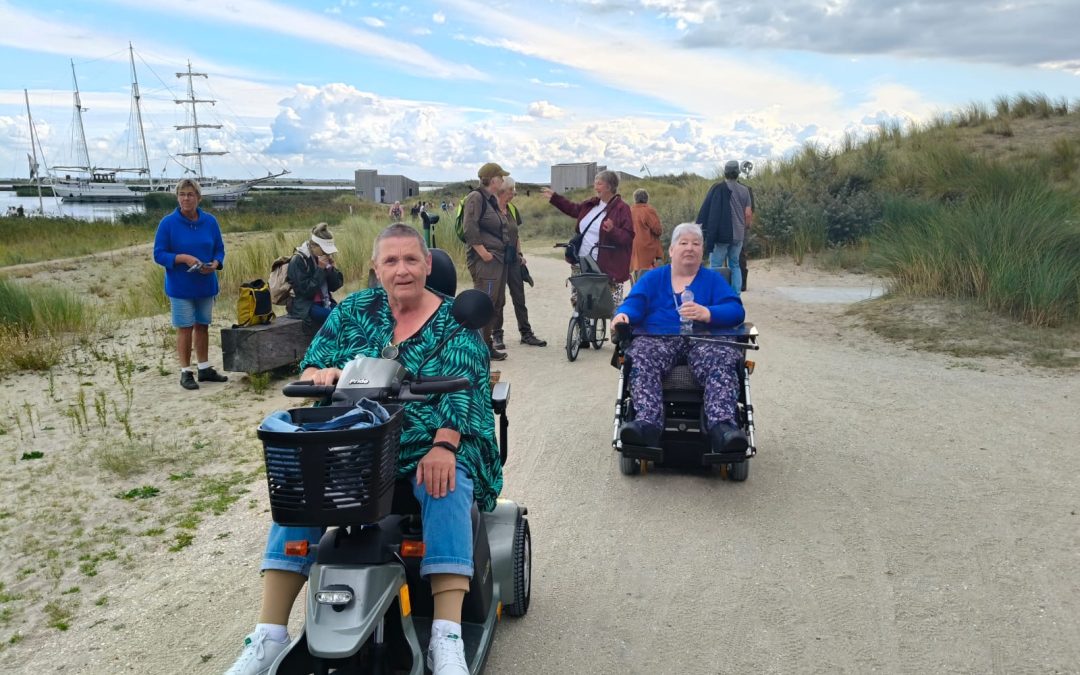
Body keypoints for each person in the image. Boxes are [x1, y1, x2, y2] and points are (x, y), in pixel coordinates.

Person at [225, 223, 501, 675]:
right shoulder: (354, 309)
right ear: (376, 267)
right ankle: (269, 634)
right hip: (359, 444)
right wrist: (320, 372)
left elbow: (464, 394)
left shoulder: (456, 321)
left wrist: (444, 446)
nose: (402, 270)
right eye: (391, 261)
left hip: (427, 441)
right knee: (298, 479)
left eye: (411, 260)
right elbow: (315, 360)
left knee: (445, 484)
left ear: (428, 265)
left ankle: (446, 637)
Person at [612, 222, 748, 453]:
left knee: (722, 357)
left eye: (696, 244)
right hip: (659, 338)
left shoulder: (714, 280)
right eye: (683, 243)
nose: (690, 248)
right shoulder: (653, 278)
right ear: (672, 250)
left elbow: (736, 310)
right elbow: (634, 303)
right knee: (642, 354)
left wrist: (708, 313)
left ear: (702, 252)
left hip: (705, 340)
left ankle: (722, 427)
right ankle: (647, 424)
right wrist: (623, 315)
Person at [152, 178, 228, 391]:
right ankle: (186, 372)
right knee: (184, 328)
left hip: (205, 283)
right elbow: (159, 254)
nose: (186, 198)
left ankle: (204, 368)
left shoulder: (210, 221)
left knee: (202, 325)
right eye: (182, 194)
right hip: (181, 286)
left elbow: (219, 249)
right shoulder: (168, 223)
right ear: (177, 198)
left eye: (190, 194)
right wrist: (183, 258)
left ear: (198, 198)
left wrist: (215, 263)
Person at [541, 169, 634, 310]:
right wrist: (555, 198)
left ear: (609, 186)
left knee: (611, 308)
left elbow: (628, 237)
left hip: (606, 266)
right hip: (582, 261)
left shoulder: (622, 209)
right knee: (579, 303)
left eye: (599, 184)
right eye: (595, 183)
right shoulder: (592, 204)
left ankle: (615, 331)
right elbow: (573, 209)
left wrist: (613, 231)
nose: (595, 187)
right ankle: (581, 331)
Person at [462, 162, 511, 361]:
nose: (503, 180)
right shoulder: (476, 197)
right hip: (486, 262)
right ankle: (479, 348)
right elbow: (470, 227)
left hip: (496, 260)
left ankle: (486, 345)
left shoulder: (490, 200)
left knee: (496, 303)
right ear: (493, 180)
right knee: (486, 302)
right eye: (500, 177)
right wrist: (483, 253)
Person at [492, 177, 546, 349]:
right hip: (498, 260)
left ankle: (526, 333)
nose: (513, 194)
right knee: (498, 299)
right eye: (511, 191)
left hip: (513, 259)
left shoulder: (512, 209)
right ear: (502, 190)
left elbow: (516, 235)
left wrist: (520, 254)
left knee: (519, 297)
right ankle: (497, 335)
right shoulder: (491, 210)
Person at [696, 160, 753, 296]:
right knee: (735, 264)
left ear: (725, 173)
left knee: (716, 265)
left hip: (721, 234)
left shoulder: (717, 188)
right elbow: (748, 213)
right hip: (738, 233)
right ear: (738, 173)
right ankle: (736, 294)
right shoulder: (745, 190)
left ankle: (716, 293)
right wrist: (745, 227)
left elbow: (707, 209)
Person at [286, 223, 344, 326]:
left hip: (324, 302)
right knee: (336, 318)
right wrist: (320, 270)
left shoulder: (322, 257)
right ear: (313, 246)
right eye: (325, 250)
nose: (327, 253)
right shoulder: (298, 260)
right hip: (304, 305)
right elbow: (306, 291)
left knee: (348, 316)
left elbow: (335, 286)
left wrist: (331, 269)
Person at [629, 188, 664, 283]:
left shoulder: (630, 210)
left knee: (637, 278)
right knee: (651, 279)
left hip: (634, 249)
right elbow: (658, 230)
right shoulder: (648, 210)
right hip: (649, 250)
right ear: (646, 198)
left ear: (635, 199)